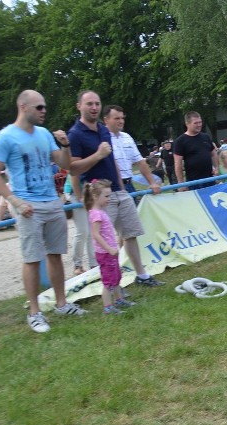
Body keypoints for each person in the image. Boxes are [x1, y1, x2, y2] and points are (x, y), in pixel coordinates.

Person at [0, 89, 88, 332]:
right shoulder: (6, 137)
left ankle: (62, 303)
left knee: (55, 254)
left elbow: (65, 164)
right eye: (39, 107)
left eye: (44, 107)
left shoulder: (44, 134)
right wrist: (14, 201)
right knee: (32, 259)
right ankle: (34, 313)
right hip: (28, 207)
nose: (44, 111)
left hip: (52, 203)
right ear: (23, 107)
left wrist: (65, 145)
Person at [68, 90, 164, 287]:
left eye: (97, 103)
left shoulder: (103, 130)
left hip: (118, 190)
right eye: (89, 104)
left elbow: (112, 160)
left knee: (130, 234)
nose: (94, 107)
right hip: (98, 194)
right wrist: (97, 155)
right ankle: (111, 285)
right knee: (105, 241)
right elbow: (73, 168)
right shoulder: (75, 134)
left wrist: (120, 185)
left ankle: (142, 275)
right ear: (79, 106)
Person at [83, 179, 136, 314]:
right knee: (108, 281)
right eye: (106, 196)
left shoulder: (101, 212)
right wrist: (109, 248)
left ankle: (119, 299)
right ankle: (107, 307)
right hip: (105, 253)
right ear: (95, 196)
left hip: (110, 252)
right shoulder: (96, 214)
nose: (109, 199)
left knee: (116, 276)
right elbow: (96, 234)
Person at [102, 105, 162, 197]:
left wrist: (152, 182)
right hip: (109, 189)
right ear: (106, 120)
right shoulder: (100, 138)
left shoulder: (127, 137)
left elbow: (140, 162)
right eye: (117, 118)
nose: (121, 121)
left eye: (122, 118)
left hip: (129, 186)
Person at [173, 111, 218, 190]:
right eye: (196, 123)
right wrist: (181, 182)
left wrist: (216, 168)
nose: (199, 125)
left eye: (200, 122)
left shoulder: (206, 137)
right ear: (187, 123)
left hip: (210, 179)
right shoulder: (180, 141)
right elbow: (178, 163)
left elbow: (213, 154)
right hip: (194, 182)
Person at [63, 173, 96, 275]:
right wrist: (79, 196)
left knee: (90, 232)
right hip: (74, 193)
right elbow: (73, 174)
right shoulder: (76, 157)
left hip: (88, 193)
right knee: (82, 231)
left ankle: (93, 264)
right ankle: (78, 265)